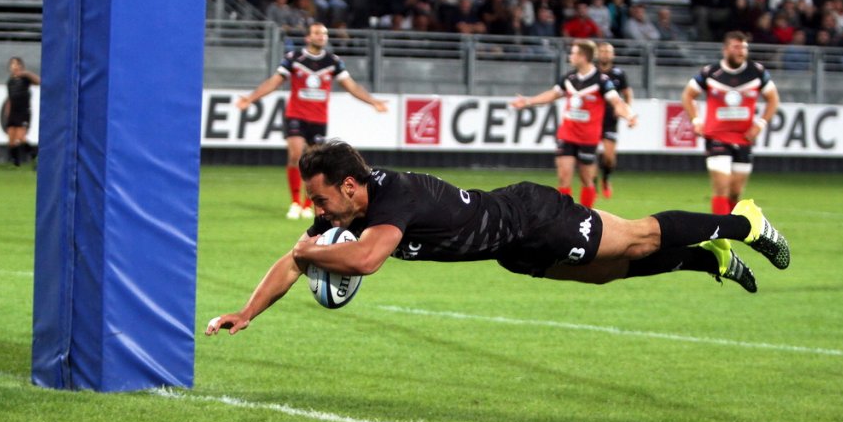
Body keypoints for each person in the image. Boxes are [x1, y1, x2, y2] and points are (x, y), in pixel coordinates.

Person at [205, 139, 792, 337]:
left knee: (637, 236)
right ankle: (706, 261)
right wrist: (248, 310)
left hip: (531, 215)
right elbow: (294, 259)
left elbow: (367, 261)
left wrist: (313, 250)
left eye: (321, 197)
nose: (315, 208)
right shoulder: (347, 212)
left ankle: (746, 223)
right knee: (610, 271)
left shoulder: (392, 200)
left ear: (352, 186)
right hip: (509, 250)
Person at [235, 23, 388, 220]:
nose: (321, 37)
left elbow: (351, 86)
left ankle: (310, 204)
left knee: (315, 164)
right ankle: (295, 203)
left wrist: (372, 101)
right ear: (308, 37)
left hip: (318, 119)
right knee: (295, 155)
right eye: (317, 33)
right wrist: (251, 98)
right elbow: (274, 81)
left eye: (324, 34)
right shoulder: (294, 59)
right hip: (296, 115)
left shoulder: (332, 61)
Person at [510, 39, 638, 209]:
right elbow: (552, 95)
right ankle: (563, 217)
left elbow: (616, 102)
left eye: (574, 53)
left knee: (586, 179)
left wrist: (629, 115)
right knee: (564, 176)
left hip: (588, 138)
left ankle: (586, 214)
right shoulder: (569, 78)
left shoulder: (602, 81)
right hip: (567, 134)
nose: (571, 56)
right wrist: (527, 101)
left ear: (583, 57)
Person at [681, 31, 780, 215]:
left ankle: (731, 229)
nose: (741, 51)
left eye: (744, 48)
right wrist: (696, 120)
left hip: (744, 138)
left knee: (735, 192)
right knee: (722, 186)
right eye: (736, 47)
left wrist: (760, 124)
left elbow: (773, 99)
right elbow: (688, 95)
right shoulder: (711, 72)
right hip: (716, 137)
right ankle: (720, 236)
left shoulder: (756, 72)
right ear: (725, 50)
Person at [594, 42, 635, 199]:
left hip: (611, 119)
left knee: (609, 158)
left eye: (608, 51)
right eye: (602, 51)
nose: (605, 54)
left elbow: (627, 93)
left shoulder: (619, 74)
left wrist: (627, 111)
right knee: (590, 156)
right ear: (598, 54)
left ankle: (605, 178)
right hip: (593, 120)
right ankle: (593, 185)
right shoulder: (593, 73)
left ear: (613, 55)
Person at [3, 57, 40, 167]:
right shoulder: (10, 81)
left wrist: (26, 73)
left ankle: (35, 156)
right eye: (12, 64)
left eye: (16, 64)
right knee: (11, 140)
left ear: (21, 66)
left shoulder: (25, 78)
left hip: (23, 111)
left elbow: (38, 81)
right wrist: (8, 110)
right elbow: (10, 97)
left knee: (20, 138)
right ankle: (15, 163)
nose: (14, 66)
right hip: (13, 112)